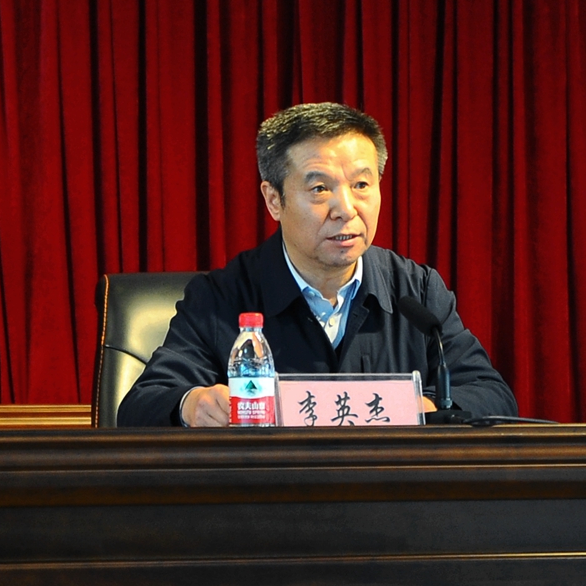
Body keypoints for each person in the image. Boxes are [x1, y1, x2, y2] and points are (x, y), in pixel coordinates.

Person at [118, 102, 516, 427]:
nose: (346, 209)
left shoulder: (417, 291)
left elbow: (492, 394)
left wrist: (423, 408)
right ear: (274, 200)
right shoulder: (222, 298)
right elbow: (142, 404)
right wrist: (192, 404)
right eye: (320, 188)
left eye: (361, 185)